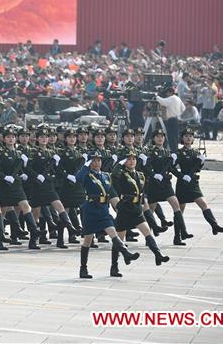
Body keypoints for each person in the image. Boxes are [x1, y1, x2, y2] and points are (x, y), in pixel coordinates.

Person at [75, 151, 140, 279]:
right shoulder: (87, 175)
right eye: (94, 160)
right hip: (91, 210)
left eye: (99, 160)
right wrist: (85, 165)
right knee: (87, 241)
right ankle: (83, 269)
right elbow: (78, 178)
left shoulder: (105, 176)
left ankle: (118, 263)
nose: (97, 162)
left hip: (103, 210)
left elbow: (112, 190)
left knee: (113, 233)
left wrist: (120, 206)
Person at [155, 85, 185, 153]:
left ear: (170, 92)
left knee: (171, 137)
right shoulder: (178, 98)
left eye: (167, 92)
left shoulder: (171, 98)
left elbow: (162, 101)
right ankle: (175, 150)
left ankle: (173, 151)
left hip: (171, 120)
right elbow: (183, 108)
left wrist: (156, 96)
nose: (166, 94)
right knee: (175, 136)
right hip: (177, 119)